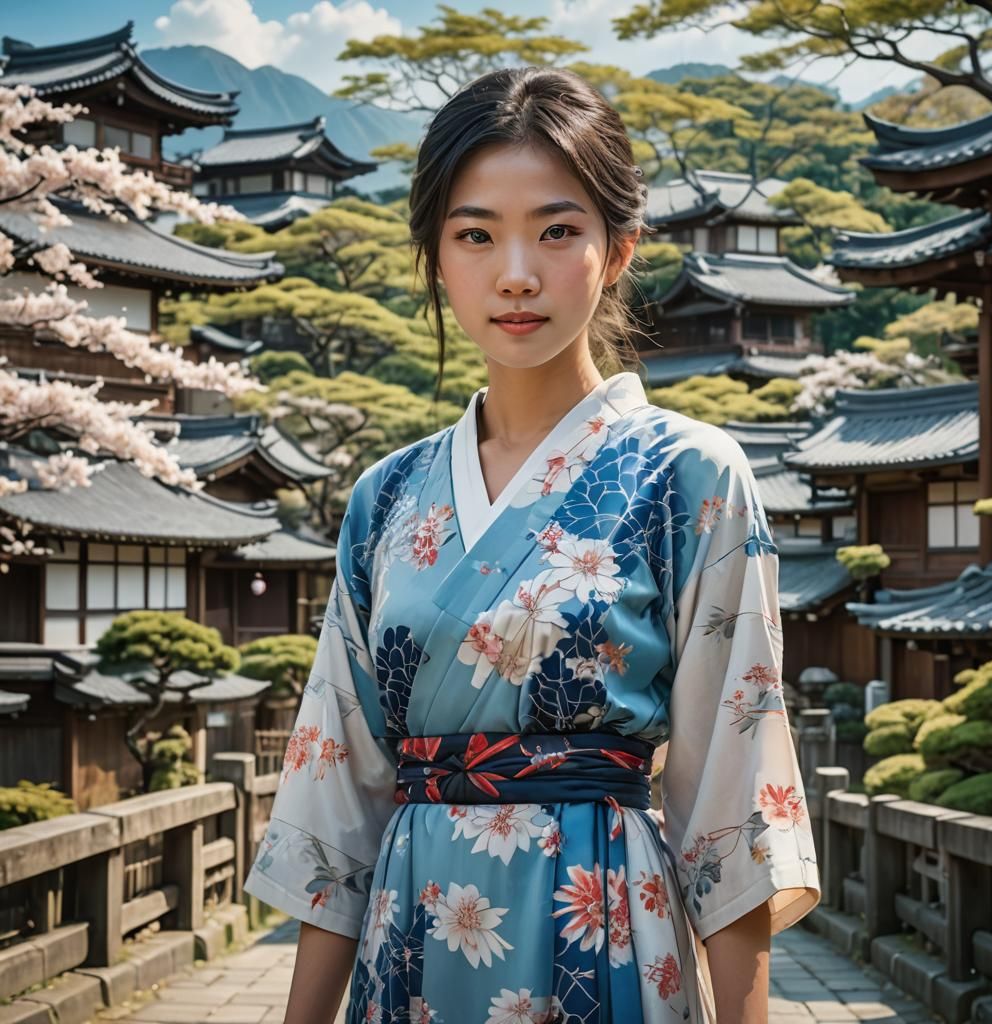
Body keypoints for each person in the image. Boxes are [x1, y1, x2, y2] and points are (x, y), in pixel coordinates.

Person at [241, 65, 821, 1024]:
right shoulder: (385, 499)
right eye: (475, 235)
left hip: (606, 923)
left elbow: (733, 786)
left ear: (619, 248)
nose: (516, 272)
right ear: (434, 255)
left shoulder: (690, 475)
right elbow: (334, 785)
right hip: (412, 929)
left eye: (558, 231)